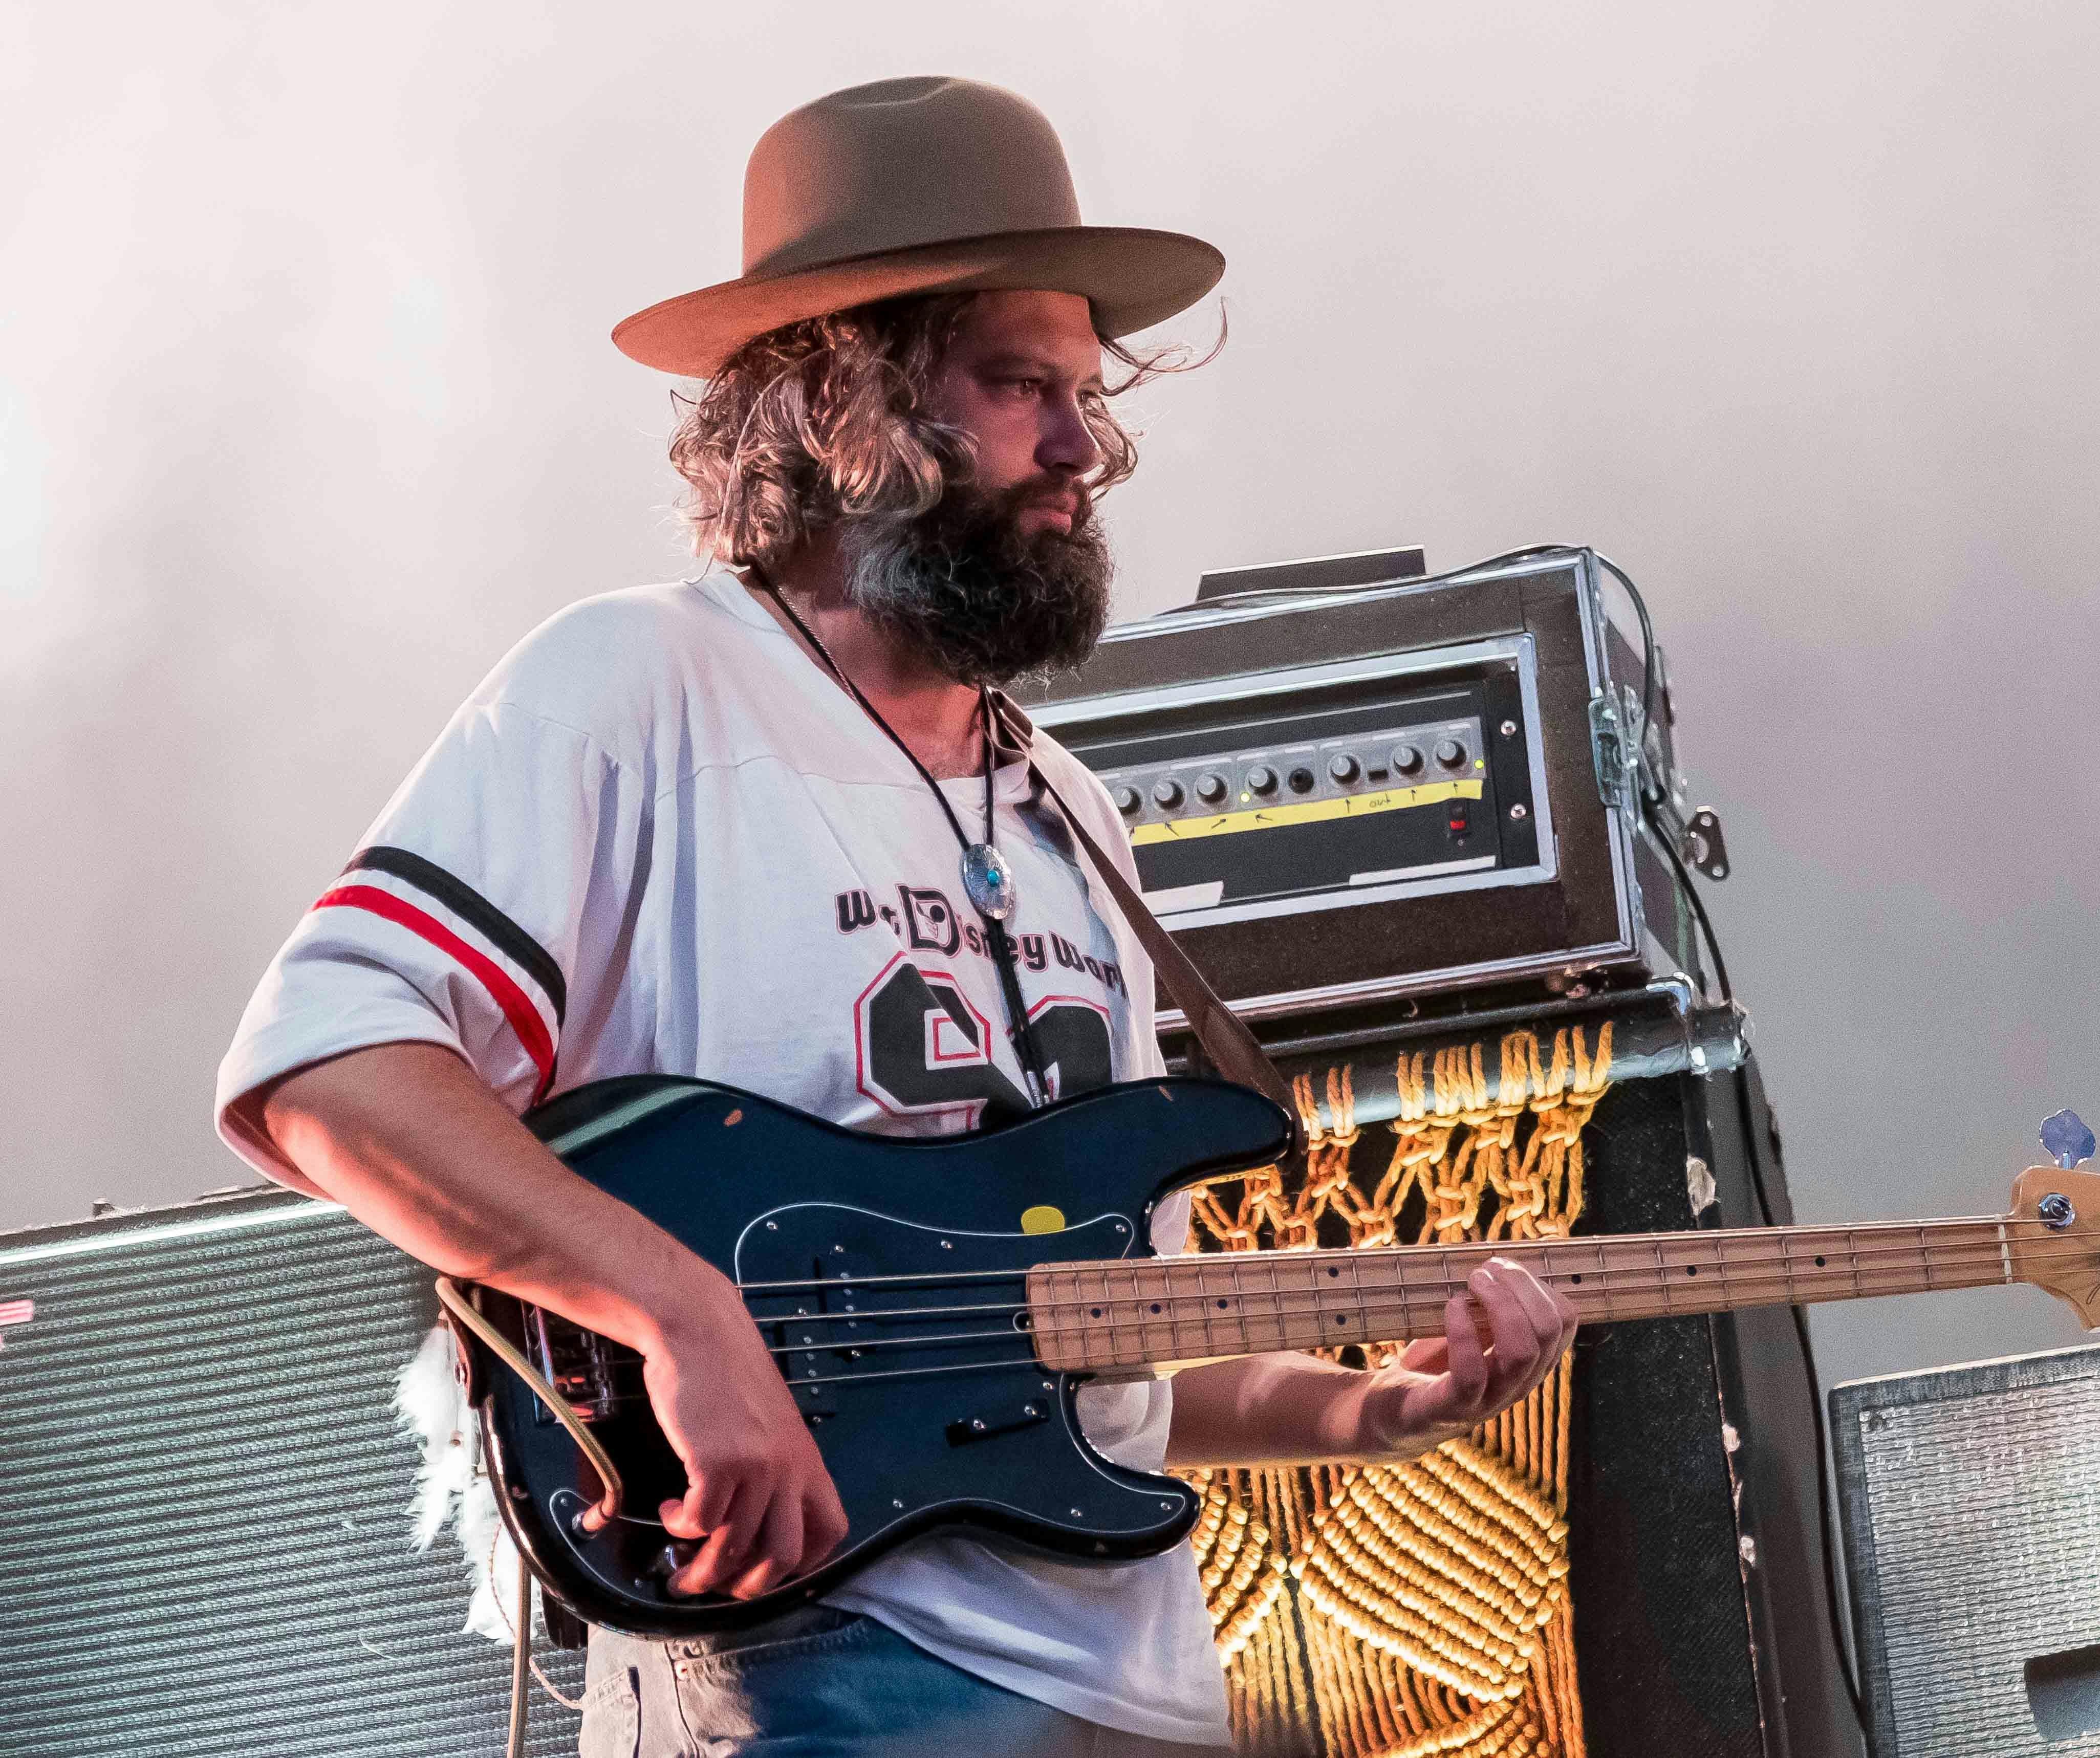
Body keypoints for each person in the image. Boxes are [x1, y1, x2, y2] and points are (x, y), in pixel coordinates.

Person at [213, 77, 1576, 1758]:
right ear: (834, 402)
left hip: (1139, 1689)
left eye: (1086, 396)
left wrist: (1376, 1407)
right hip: (806, 1668)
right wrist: (682, 1315)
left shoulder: (1068, 809)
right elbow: (324, 1068)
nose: (1079, 447)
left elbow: (1080, 1358)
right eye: (1018, 385)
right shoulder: (641, 685)